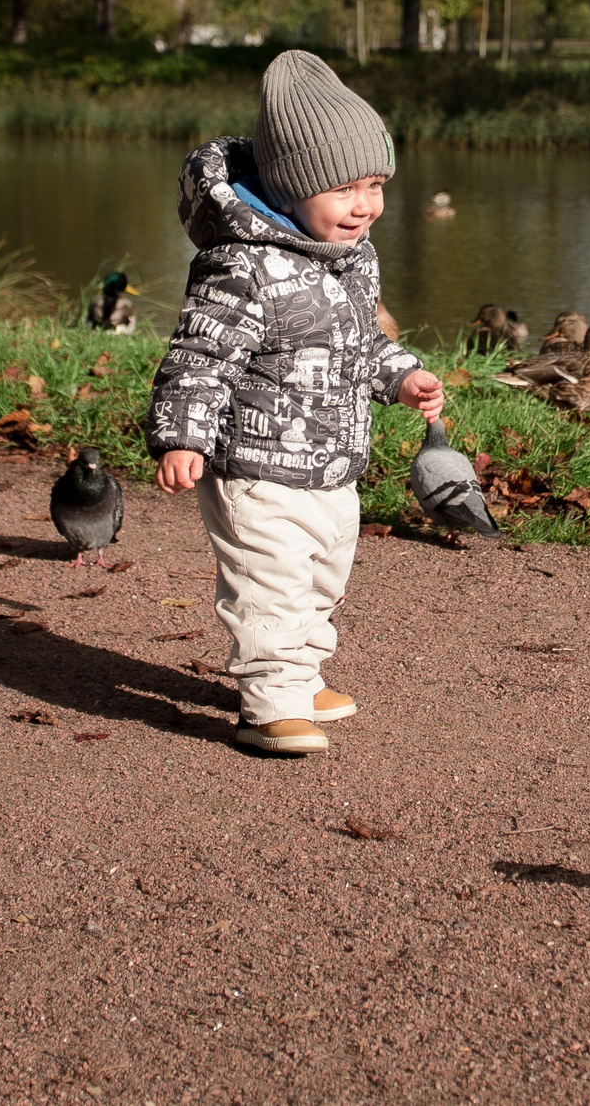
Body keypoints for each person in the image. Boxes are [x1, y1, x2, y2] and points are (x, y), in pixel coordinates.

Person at [145, 50, 444, 755]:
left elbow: (358, 342)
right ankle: (268, 702)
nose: (365, 204)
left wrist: (399, 375)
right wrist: (184, 435)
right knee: (270, 582)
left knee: (322, 578)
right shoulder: (242, 263)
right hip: (256, 464)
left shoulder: (351, 255)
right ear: (289, 187)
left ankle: (300, 678)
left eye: (375, 184)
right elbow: (200, 354)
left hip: (332, 462)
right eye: (344, 188)